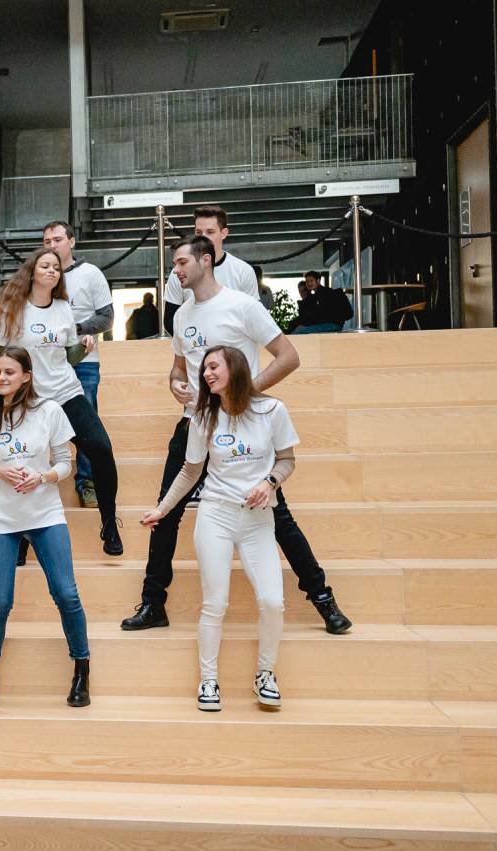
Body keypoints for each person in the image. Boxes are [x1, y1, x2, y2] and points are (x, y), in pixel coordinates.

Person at [121, 234, 352, 635]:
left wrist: (244, 395)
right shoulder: (182, 316)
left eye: (181, 263)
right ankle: (153, 604)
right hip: (195, 422)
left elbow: (289, 356)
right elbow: (179, 367)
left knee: (277, 516)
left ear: (205, 261)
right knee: (166, 513)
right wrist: (175, 382)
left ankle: (323, 600)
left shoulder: (242, 305)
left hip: (243, 426)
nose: (175, 271)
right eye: (174, 265)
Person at [141, 345, 295, 711]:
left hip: (258, 520)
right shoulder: (203, 417)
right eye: (205, 369)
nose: (206, 373)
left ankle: (265, 674)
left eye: (214, 367)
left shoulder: (272, 410)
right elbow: (190, 471)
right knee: (215, 603)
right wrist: (162, 509)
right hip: (216, 516)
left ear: (236, 369)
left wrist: (270, 482)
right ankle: (208, 680)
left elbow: (287, 460)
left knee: (272, 602)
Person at [0, 347, 90, 708]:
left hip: (45, 515)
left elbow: (65, 462)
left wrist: (43, 477)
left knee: (66, 594)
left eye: (9, 372)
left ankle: (81, 670)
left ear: (27, 376)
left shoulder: (48, 411)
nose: (1, 378)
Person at [0, 248, 123, 557]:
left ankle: (109, 523)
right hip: (28, 400)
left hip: (66, 393)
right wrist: (13, 382)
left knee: (101, 449)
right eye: (45, 266)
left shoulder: (63, 308)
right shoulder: (12, 309)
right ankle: (20, 539)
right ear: (32, 271)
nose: (52, 271)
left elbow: (67, 357)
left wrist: (84, 347)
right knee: (22, 463)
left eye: (56, 268)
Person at [41, 221, 114, 510]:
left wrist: (73, 330)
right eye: (47, 241)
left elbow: (107, 318)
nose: (52, 245)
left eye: (57, 239)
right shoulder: (39, 277)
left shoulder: (90, 273)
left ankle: (87, 483)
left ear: (71, 242)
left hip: (84, 361)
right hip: (45, 363)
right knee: (43, 422)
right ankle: (42, 480)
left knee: (87, 426)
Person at [163, 205, 260, 335]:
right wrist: (195, 341)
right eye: (198, 232)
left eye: (210, 232)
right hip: (193, 342)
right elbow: (170, 319)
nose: (203, 238)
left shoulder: (243, 271)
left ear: (224, 233)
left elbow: (254, 318)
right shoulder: (179, 271)